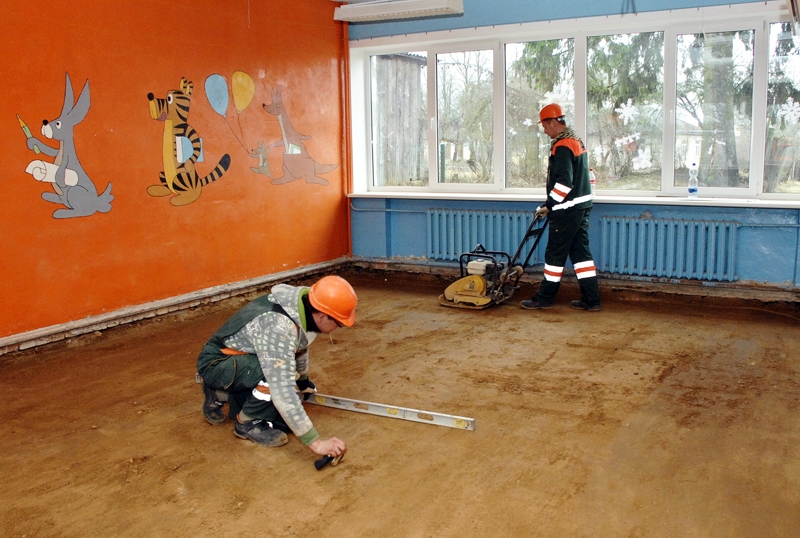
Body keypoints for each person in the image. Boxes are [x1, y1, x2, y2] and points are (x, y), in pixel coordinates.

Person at [196, 275, 357, 460]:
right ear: (322, 316)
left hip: (242, 360)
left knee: (282, 421)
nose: (339, 327)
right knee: (276, 377)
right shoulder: (279, 328)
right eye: (339, 323)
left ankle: (222, 394)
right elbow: (282, 389)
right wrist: (317, 443)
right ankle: (246, 422)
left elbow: (300, 346)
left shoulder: (308, 305)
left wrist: (303, 382)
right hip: (217, 363)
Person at [521, 103, 601, 312]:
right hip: (581, 207)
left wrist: (549, 205)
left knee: (554, 256)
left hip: (567, 210)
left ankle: (545, 297)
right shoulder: (576, 141)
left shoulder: (562, 146)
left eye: (545, 126)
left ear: (553, 122)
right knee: (581, 256)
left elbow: (565, 183)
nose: (545, 131)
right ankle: (591, 299)